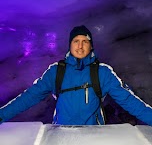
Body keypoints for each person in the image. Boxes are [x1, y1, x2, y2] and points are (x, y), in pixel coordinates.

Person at [0, 25, 152, 125]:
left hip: (93, 137)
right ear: (70, 45)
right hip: (62, 137)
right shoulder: (56, 72)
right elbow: (29, 96)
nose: (80, 46)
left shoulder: (102, 73)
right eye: (76, 41)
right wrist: (2, 115)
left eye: (85, 41)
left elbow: (129, 101)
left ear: (91, 46)